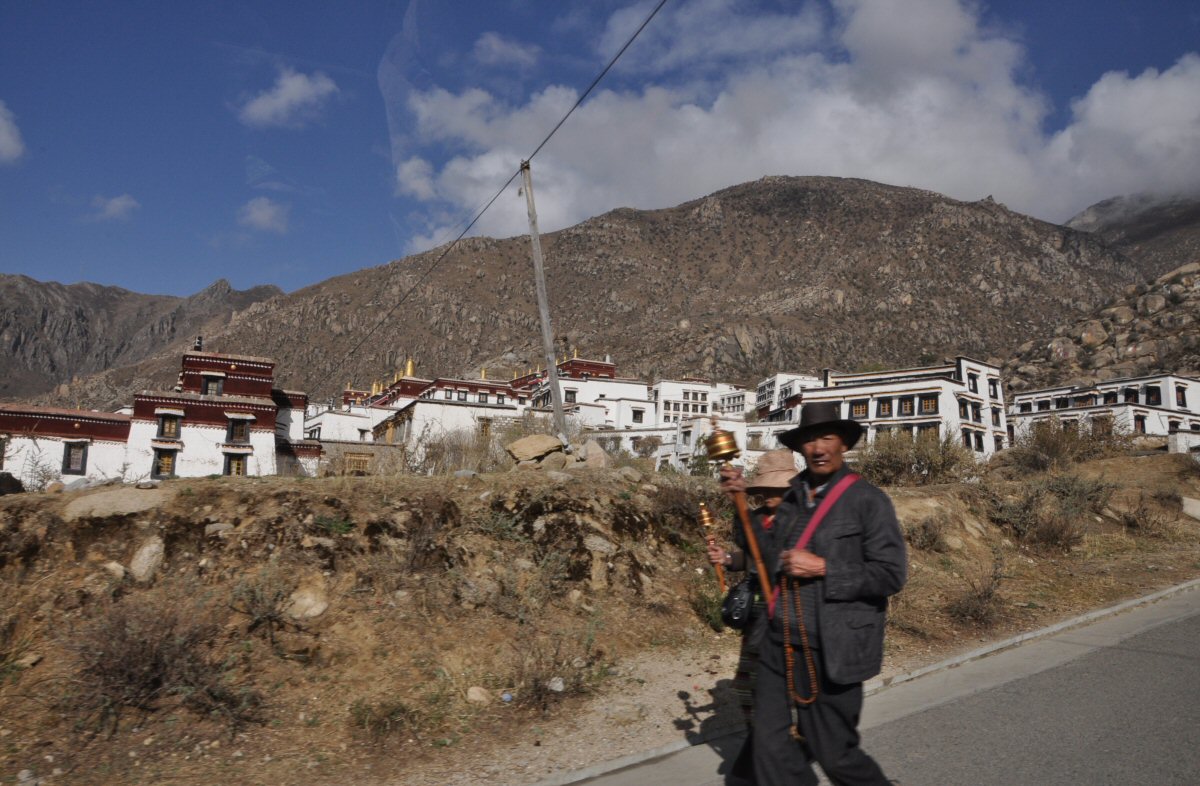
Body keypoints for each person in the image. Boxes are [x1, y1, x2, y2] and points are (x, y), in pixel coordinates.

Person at [718, 401, 906, 786]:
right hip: (778, 641)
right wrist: (739, 504)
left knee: (835, 755)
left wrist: (823, 568)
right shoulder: (791, 498)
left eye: (827, 437)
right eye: (810, 440)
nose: (818, 448)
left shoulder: (868, 501)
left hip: (834, 647)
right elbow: (765, 558)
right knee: (769, 748)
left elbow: (890, 574)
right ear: (801, 448)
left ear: (844, 445)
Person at [706, 449, 799, 780]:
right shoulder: (755, 517)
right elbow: (750, 556)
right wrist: (728, 559)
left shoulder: (802, 518)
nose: (772, 496)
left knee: (786, 687)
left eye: (778, 489)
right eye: (768, 490)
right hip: (760, 613)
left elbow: (774, 557)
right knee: (746, 686)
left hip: (792, 611)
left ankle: (776, 748)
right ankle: (764, 742)